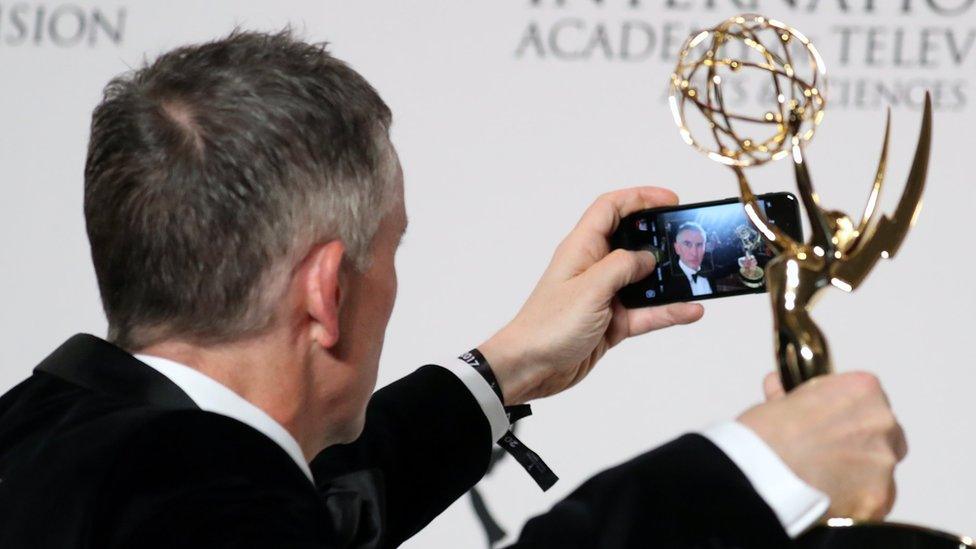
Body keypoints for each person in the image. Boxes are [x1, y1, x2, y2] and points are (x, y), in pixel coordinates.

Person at [0, 31, 906, 548]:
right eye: (388, 249)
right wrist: (756, 467)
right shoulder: (189, 514)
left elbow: (300, 504)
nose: (392, 278)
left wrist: (508, 367)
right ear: (326, 291)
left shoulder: (47, 429)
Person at [662, 221, 759, 299]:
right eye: (687, 244)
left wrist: (742, 262)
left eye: (699, 245)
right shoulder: (665, 274)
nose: (694, 252)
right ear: (677, 247)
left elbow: (723, 270)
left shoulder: (706, 268)